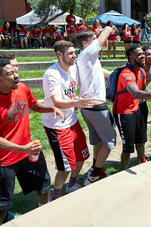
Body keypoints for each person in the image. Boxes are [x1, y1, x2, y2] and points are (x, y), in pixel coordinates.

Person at [0, 58, 65, 227]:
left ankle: (44, 209)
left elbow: (34, 105)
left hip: (29, 152)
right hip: (3, 161)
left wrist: (51, 108)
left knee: (43, 186)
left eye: (15, 71)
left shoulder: (22, 88)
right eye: (10, 74)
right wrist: (22, 148)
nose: (16, 75)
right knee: (3, 202)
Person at [42, 40, 95, 200]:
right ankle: (56, 196)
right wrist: (78, 102)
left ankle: (71, 184)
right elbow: (57, 101)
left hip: (72, 121)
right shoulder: (52, 74)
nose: (74, 56)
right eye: (70, 53)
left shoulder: (74, 68)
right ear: (59, 55)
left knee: (81, 155)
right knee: (65, 166)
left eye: (74, 52)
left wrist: (113, 74)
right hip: (57, 125)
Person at [114, 45, 151, 169]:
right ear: (131, 57)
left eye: (143, 54)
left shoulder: (141, 71)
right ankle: (124, 171)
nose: (143, 57)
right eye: (139, 54)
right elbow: (136, 93)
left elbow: (143, 88)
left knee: (141, 139)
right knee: (128, 147)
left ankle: (142, 161)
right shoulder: (126, 73)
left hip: (137, 109)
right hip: (124, 112)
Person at [76, 27, 117, 185]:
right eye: (94, 39)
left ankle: (94, 169)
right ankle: (95, 174)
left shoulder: (88, 58)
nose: (100, 41)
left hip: (89, 108)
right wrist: (108, 27)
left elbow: (104, 72)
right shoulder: (87, 54)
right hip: (97, 107)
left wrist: (120, 74)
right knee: (110, 140)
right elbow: (102, 39)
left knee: (99, 140)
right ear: (86, 43)